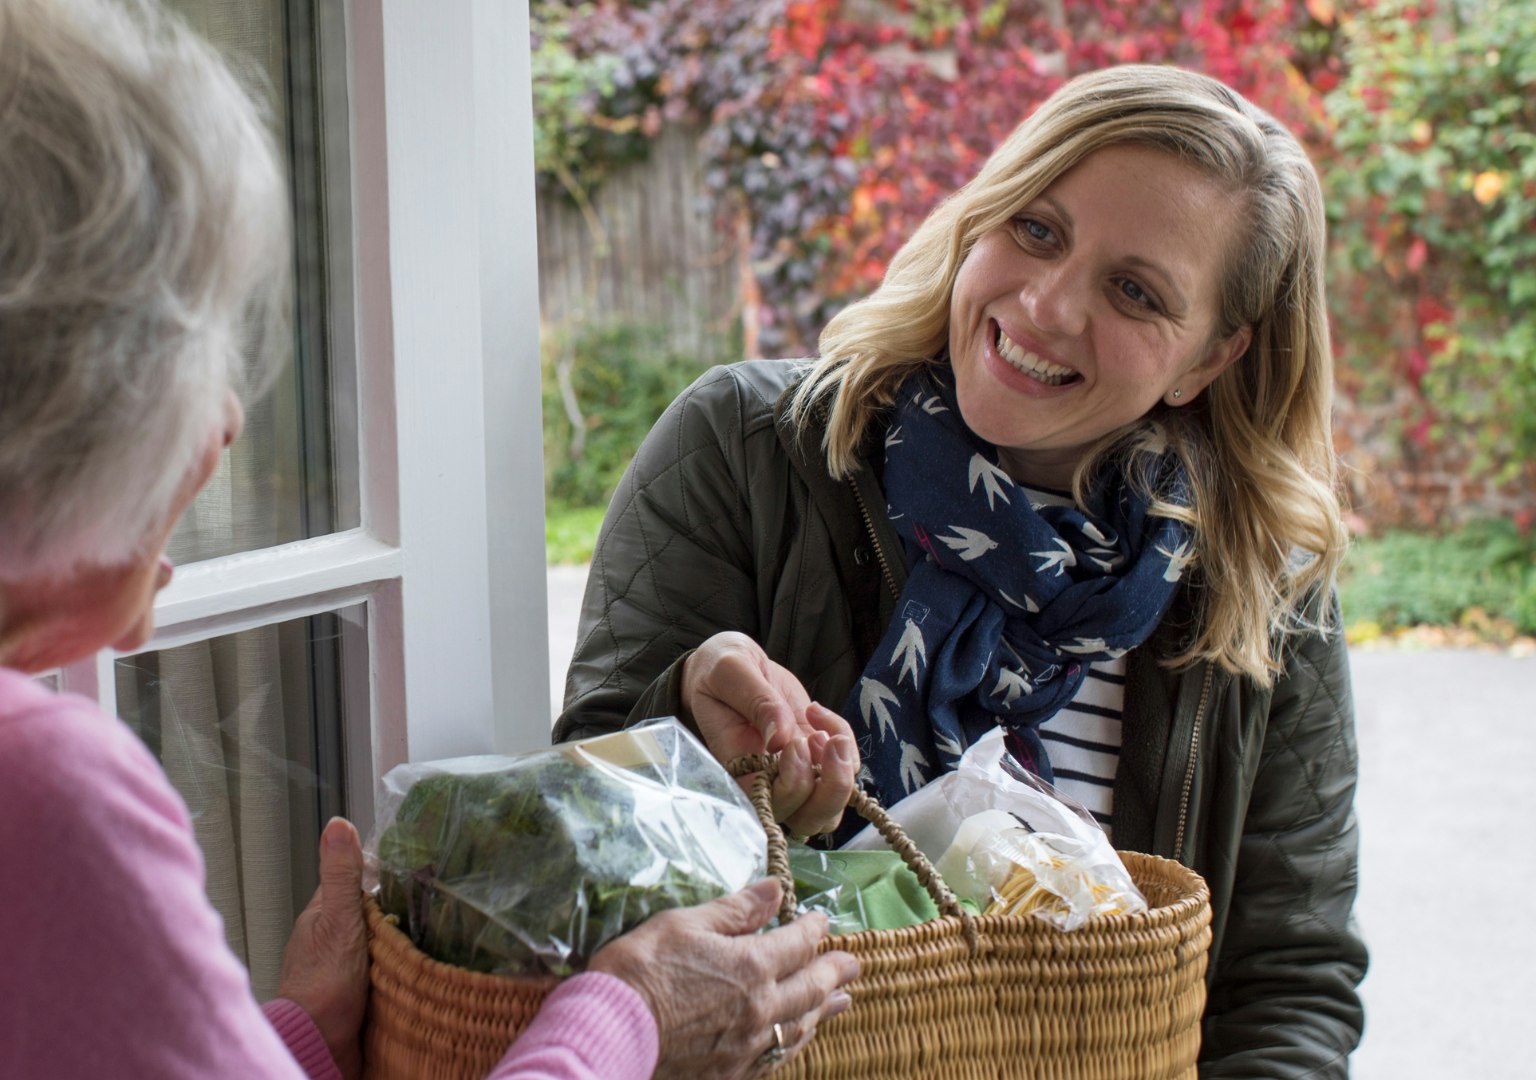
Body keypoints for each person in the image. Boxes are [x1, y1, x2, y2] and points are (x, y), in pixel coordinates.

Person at [0, 1, 857, 1077]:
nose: (221, 427)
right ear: (42, 398)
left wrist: (294, 1036)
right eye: (198, 338)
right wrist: (627, 1021)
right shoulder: (3, 795)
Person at [556, 64, 1366, 1077]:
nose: (1047, 304)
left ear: (1209, 358)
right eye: (1036, 228)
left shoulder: (1260, 586)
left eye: (1135, 290)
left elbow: (1286, 984)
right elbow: (576, 845)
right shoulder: (745, 450)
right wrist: (690, 726)